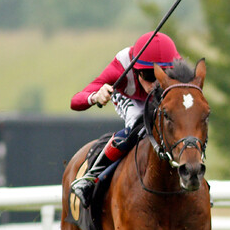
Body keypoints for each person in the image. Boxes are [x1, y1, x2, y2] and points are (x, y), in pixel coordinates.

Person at [69, 31, 181, 207]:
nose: (154, 85)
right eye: (149, 76)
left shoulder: (176, 65)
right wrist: (95, 97)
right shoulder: (120, 67)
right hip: (130, 98)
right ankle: (89, 178)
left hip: (163, 98)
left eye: (162, 74)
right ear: (136, 70)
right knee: (139, 123)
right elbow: (74, 102)